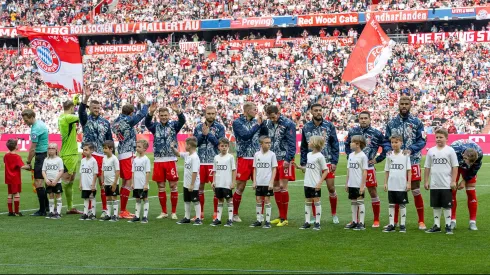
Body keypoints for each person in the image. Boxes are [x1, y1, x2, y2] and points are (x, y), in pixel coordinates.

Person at [384, 96, 427, 230]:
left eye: (406, 104)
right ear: (398, 105)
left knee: (415, 189)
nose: (404, 106)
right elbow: (386, 140)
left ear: (410, 106)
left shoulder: (417, 122)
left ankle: (421, 221)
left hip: (412, 161)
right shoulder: (391, 123)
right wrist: (388, 150)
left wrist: (411, 150)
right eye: (401, 103)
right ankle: (395, 221)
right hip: (396, 161)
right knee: (396, 189)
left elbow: (422, 140)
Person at [300, 103, 340, 224]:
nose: (318, 112)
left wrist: (334, 161)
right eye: (316, 110)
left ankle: (334, 214)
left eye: (320, 110)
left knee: (331, 188)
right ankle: (313, 216)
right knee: (312, 189)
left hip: (327, 161)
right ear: (311, 112)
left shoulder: (329, 126)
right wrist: (303, 163)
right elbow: (303, 147)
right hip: (312, 163)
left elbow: (335, 144)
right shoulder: (306, 127)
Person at [145, 102, 185, 220]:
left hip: (171, 159)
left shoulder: (174, 125)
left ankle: (173, 212)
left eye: (165, 115)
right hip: (158, 160)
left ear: (169, 115)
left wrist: (178, 112)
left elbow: (182, 121)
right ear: (159, 116)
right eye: (161, 115)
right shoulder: (155, 126)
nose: (163, 117)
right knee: (161, 187)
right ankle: (164, 212)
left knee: (173, 186)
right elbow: (147, 123)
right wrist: (150, 113)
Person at [345, 111, 386, 227]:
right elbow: (347, 144)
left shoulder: (376, 133)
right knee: (355, 193)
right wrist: (349, 156)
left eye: (365, 118)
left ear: (370, 119)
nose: (363, 120)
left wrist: (378, 159)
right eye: (361, 118)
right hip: (355, 169)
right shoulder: (353, 131)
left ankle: (376, 219)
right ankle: (355, 220)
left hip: (368, 167)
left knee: (372, 191)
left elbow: (386, 146)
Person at [112, 93, 148, 219]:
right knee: (128, 181)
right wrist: (145, 104)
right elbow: (142, 115)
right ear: (131, 113)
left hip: (121, 151)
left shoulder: (116, 121)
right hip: (128, 152)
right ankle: (122, 210)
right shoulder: (127, 120)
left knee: (124, 181)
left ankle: (122, 209)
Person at [79, 89, 114, 217]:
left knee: (102, 182)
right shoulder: (85, 119)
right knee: (88, 184)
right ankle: (89, 210)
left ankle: (105, 209)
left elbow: (109, 139)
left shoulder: (105, 122)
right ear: (90, 108)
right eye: (94, 107)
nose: (96, 109)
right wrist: (86, 98)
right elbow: (81, 111)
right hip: (88, 155)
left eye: (98, 108)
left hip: (102, 155)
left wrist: (111, 153)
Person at [231, 102, 268, 222]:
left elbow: (265, 136)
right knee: (240, 186)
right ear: (246, 111)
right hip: (244, 158)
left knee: (260, 186)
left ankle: (260, 215)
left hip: (257, 158)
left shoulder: (257, 122)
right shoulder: (237, 123)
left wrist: (263, 124)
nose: (256, 112)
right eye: (253, 110)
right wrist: (258, 125)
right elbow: (245, 136)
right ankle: (235, 214)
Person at [264, 105, 296, 227]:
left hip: (284, 158)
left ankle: (285, 217)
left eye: (273, 117)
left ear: (278, 113)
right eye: (270, 117)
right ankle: (280, 216)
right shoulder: (268, 123)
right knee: (276, 187)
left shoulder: (288, 124)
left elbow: (292, 143)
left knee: (283, 186)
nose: (272, 119)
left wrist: (288, 159)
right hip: (273, 159)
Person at [424, 128, 459, 234]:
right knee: (436, 205)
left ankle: (448, 225)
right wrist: (426, 180)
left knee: (447, 205)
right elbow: (427, 167)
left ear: (446, 138)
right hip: (435, 183)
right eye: (437, 137)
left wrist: (453, 181)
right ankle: (437, 225)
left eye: (441, 137)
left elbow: (455, 166)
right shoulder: (431, 151)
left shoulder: (450, 150)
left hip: (446, 183)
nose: (438, 139)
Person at [194, 105, 225, 221]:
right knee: (199, 187)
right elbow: (195, 143)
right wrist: (203, 134)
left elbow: (220, 144)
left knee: (215, 188)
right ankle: (200, 213)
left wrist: (209, 134)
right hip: (200, 161)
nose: (211, 116)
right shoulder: (198, 127)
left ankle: (216, 213)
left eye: (213, 113)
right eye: (209, 113)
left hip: (214, 161)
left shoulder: (220, 128)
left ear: (215, 114)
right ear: (205, 114)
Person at [295, 136, 329, 231]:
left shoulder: (320, 156)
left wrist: (320, 183)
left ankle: (317, 222)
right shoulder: (309, 154)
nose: (308, 143)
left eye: (310, 141)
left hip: (315, 183)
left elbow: (326, 171)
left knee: (316, 201)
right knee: (308, 201)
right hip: (307, 182)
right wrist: (299, 167)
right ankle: (307, 222)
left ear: (315, 143)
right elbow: (308, 168)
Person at [450, 139, 482, 230]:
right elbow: (450, 165)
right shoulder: (454, 150)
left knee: (471, 191)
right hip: (455, 165)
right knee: (452, 190)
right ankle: (452, 220)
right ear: (463, 156)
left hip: (468, 167)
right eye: (469, 161)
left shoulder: (479, 153)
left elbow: (475, 169)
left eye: (472, 162)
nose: (470, 164)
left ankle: (472, 222)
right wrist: (453, 180)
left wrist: (464, 180)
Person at [22, 109, 49, 217]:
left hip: (41, 156)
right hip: (45, 155)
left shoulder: (35, 129)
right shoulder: (40, 124)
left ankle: (42, 210)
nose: (25, 122)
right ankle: (46, 206)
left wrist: (28, 162)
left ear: (32, 117)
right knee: (42, 182)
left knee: (38, 182)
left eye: (26, 120)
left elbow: (32, 149)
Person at [58, 100, 83, 215]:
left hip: (72, 154)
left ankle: (70, 207)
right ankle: (54, 206)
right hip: (68, 154)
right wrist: (82, 104)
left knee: (70, 181)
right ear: (72, 107)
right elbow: (82, 116)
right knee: (65, 181)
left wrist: (75, 102)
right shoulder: (67, 117)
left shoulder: (65, 118)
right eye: (74, 107)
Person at [383, 135, 411, 233]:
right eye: (392, 142)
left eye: (396, 142)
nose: (394, 144)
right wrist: (385, 183)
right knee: (391, 204)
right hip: (391, 184)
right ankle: (391, 224)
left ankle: (402, 224)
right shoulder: (389, 155)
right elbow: (387, 170)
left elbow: (409, 170)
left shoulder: (405, 155)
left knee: (402, 205)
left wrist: (408, 183)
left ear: (401, 143)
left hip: (401, 184)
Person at [173, 137, 202, 225]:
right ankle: (187, 217)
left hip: (193, 184)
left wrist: (192, 184)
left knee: (195, 200)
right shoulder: (187, 155)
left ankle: (198, 218)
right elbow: (178, 153)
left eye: (186, 144)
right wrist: (172, 148)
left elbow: (194, 172)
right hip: (186, 183)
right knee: (187, 200)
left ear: (189, 145)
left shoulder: (194, 157)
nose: (185, 146)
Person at [250, 136, 277, 229]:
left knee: (267, 200)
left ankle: (267, 221)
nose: (269, 144)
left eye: (269, 142)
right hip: (259, 181)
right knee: (258, 199)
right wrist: (254, 181)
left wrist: (271, 182)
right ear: (261, 144)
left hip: (267, 182)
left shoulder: (272, 154)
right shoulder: (257, 155)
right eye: (266, 142)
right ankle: (259, 220)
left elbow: (274, 169)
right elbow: (255, 169)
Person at [344, 135, 369, 231]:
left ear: (358, 144)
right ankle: (354, 221)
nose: (350, 144)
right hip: (352, 183)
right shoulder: (350, 155)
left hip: (359, 184)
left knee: (360, 202)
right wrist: (347, 183)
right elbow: (348, 170)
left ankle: (361, 223)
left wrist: (362, 185)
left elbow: (364, 171)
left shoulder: (363, 156)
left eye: (352, 142)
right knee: (353, 202)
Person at [210, 138, 236, 227]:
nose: (224, 148)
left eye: (225, 146)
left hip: (227, 183)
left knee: (229, 200)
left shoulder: (230, 157)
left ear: (228, 147)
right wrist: (214, 181)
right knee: (220, 200)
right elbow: (215, 171)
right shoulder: (216, 157)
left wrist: (233, 182)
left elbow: (233, 170)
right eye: (222, 146)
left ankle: (230, 219)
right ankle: (218, 219)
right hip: (219, 183)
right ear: (218, 147)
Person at [4, 138, 30, 216]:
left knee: (10, 194)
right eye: (17, 144)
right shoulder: (17, 157)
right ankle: (16, 212)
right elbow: (22, 166)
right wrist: (28, 167)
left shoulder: (6, 155)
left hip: (8, 177)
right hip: (15, 178)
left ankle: (10, 211)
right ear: (15, 146)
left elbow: (5, 161)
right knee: (16, 194)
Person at [128, 140, 151, 224]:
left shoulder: (146, 159)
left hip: (143, 184)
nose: (137, 148)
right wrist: (132, 183)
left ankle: (145, 216)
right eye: (136, 147)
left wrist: (146, 184)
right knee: (137, 199)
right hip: (136, 184)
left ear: (145, 148)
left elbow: (147, 172)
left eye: (139, 147)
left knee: (145, 199)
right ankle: (137, 216)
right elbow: (133, 172)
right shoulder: (135, 159)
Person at [42, 143, 64, 219]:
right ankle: (51, 212)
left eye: (52, 148)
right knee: (50, 196)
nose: (50, 150)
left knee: (58, 195)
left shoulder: (59, 159)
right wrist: (46, 179)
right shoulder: (46, 160)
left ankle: (58, 212)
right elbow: (43, 171)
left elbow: (61, 171)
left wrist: (55, 180)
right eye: (49, 148)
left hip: (56, 182)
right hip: (48, 181)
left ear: (56, 150)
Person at [101, 140, 120, 222]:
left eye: (105, 148)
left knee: (114, 197)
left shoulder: (114, 159)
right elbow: (102, 171)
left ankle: (115, 215)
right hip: (106, 182)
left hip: (113, 182)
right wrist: (102, 182)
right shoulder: (104, 158)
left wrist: (115, 183)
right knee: (108, 198)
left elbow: (117, 171)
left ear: (111, 149)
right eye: (103, 148)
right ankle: (108, 214)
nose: (104, 150)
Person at [79, 142, 99, 221]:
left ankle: (93, 214)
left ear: (91, 150)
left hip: (91, 184)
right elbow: (81, 173)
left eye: (86, 150)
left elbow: (95, 174)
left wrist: (93, 184)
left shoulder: (93, 161)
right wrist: (80, 183)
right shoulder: (83, 160)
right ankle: (85, 213)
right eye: (83, 150)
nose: (84, 151)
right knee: (85, 198)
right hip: (84, 184)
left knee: (92, 198)